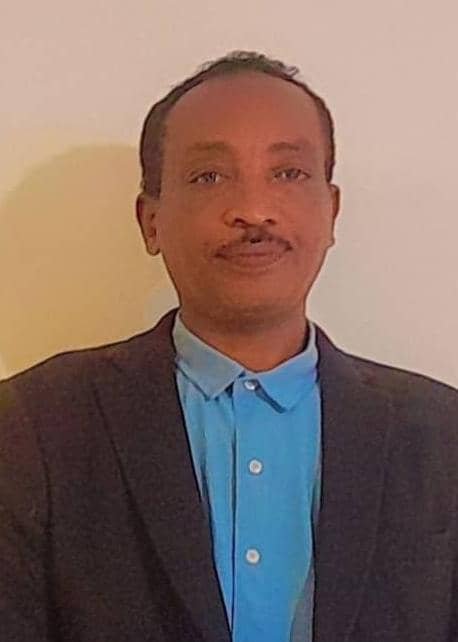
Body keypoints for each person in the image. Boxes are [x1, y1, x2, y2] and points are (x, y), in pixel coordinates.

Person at [0, 50, 457, 642]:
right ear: (151, 221)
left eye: (288, 173)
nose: (253, 211)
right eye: (209, 177)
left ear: (332, 211)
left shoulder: (442, 435)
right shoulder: (33, 427)